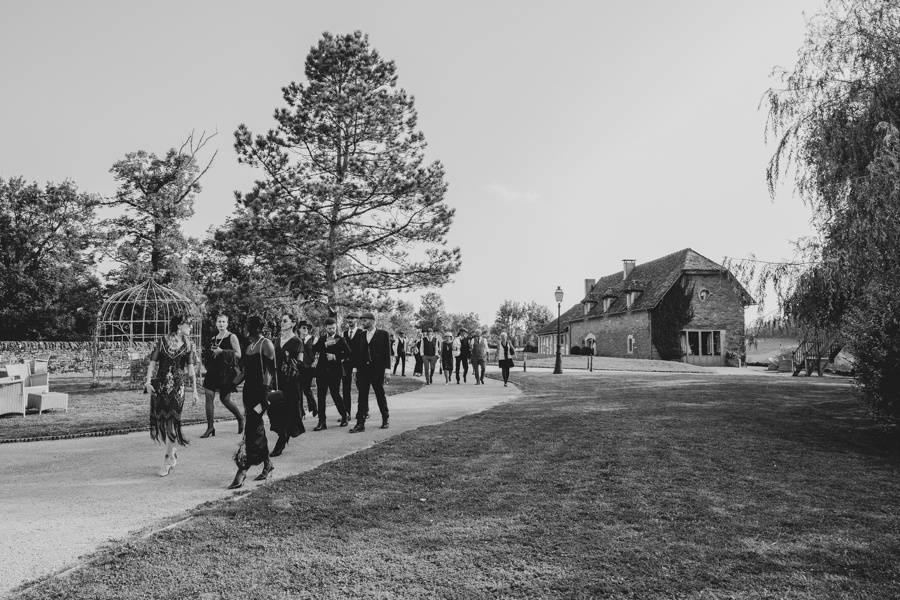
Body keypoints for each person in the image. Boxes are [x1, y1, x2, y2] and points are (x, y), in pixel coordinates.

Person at [145, 314, 199, 477]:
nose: (191, 327)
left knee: (172, 422)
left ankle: (167, 460)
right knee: (164, 421)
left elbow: (190, 371)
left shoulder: (189, 345)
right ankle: (172, 452)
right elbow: (152, 364)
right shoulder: (162, 341)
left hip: (178, 388)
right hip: (161, 387)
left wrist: (195, 390)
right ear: (179, 326)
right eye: (188, 325)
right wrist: (147, 382)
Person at [228, 316, 275, 489]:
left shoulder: (266, 344)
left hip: (261, 394)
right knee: (257, 428)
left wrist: (265, 392)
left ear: (253, 328)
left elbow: (270, 371)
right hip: (248, 393)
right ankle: (268, 464)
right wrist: (231, 384)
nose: (244, 329)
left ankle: (243, 469)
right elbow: (245, 372)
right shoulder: (249, 347)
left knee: (251, 428)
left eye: (246, 325)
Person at [200, 313, 244, 438]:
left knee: (224, 399)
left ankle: (240, 418)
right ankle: (210, 427)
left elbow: (239, 354)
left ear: (227, 323)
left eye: (223, 322)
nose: (221, 324)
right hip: (213, 371)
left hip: (226, 373)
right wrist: (211, 354)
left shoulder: (232, 336)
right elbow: (210, 355)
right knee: (209, 396)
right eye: (219, 321)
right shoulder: (214, 338)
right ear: (216, 323)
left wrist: (222, 352)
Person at [269, 313, 305, 457]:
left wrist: (291, 363)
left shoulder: (297, 341)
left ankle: (282, 440)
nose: (282, 323)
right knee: (274, 410)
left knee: (289, 410)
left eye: (285, 321)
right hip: (277, 381)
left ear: (292, 323)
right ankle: (282, 433)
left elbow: (301, 362)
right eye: (281, 320)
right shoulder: (277, 340)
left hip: (291, 381)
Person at [350, 311, 391, 433]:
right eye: (362, 320)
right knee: (362, 396)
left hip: (377, 370)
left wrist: (387, 371)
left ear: (372, 321)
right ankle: (360, 423)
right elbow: (356, 354)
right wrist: (355, 369)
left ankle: (385, 418)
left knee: (380, 394)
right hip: (363, 370)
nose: (362, 322)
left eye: (365, 320)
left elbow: (387, 354)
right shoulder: (360, 335)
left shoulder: (383, 334)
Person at [312, 317, 352, 429]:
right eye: (329, 328)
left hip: (335, 372)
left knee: (335, 395)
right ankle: (322, 422)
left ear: (336, 327)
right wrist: (322, 345)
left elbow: (349, 353)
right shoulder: (322, 338)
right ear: (326, 328)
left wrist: (336, 356)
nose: (332, 330)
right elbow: (314, 349)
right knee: (321, 397)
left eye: (333, 328)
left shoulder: (340, 339)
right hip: (321, 372)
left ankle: (344, 416)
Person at [342, 312, 364, 421]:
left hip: (359, 364)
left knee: (361, 388)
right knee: (346, 389)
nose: (350, 320)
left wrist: (357, 366)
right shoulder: (344, 333)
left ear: (357, 320)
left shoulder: (361, 333)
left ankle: (364, 411)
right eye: (349, 318)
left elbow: (362, 351)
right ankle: (347, 413)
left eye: (353, 319)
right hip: (346, 364)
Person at [297, 320, 317, 417]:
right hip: (299, 367)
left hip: (309, 367)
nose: (306, 329)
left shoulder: (313, 339)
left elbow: (318, 352)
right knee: (299, 389)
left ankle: (313, 407)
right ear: (299, 329)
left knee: (306, 388)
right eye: (303, 328)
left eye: (307, 328)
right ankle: (301, 411)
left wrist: (315, 361)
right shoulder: (296, 340)